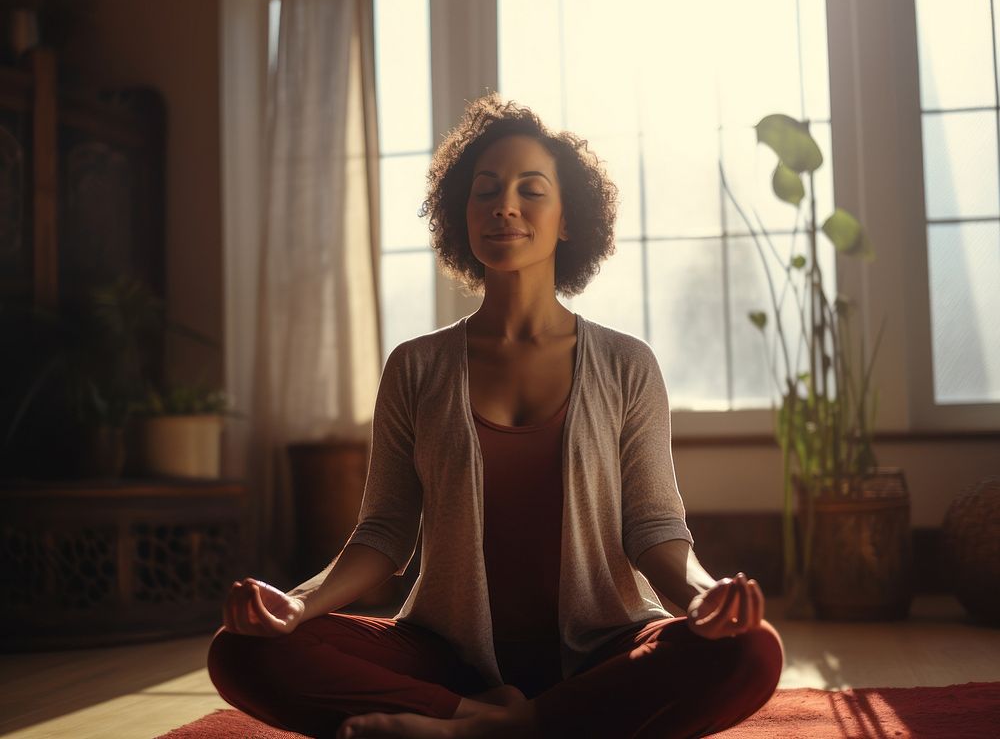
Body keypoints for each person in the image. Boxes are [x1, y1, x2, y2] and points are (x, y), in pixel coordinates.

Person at [208, 94, 784, 739]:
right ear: (464, 214)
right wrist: (294, 605)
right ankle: (496, 718)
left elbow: (652, 526)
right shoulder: (415, 367)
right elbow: (384, 533)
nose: (504, 205)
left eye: (530, 190)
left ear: (568, 219)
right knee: (242, 650)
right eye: (485, 190)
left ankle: (486, 731)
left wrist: (705, 597)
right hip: (446, 656)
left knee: (752, 650)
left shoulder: (627, 364)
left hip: (605, 649)